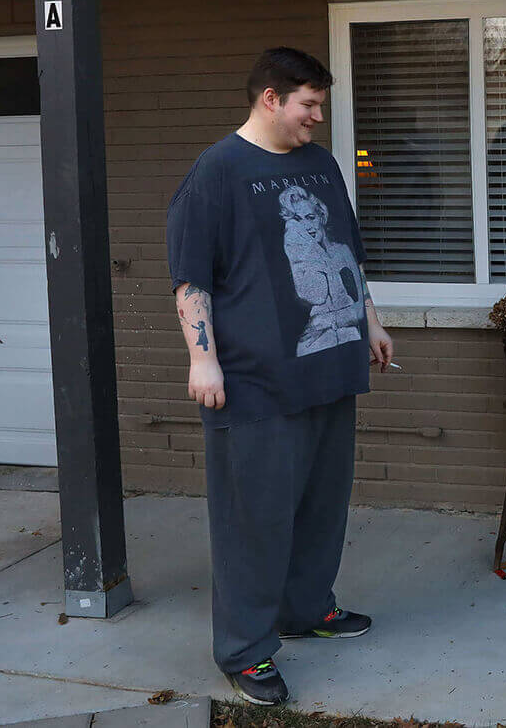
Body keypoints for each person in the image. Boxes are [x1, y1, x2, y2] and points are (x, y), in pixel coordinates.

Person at [167, 47, 394, 706]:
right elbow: (190, 278)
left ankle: (307, 609)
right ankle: (245, 648)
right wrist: (201, 356)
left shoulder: (320, 165)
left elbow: (346, 248)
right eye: (308, 106)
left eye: (318, 106)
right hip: (253, 380)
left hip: (328, 364)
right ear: (270, 98)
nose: (317, 118)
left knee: (322, 506)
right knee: (253, 519)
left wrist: (371, 320)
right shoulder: (217, 171)